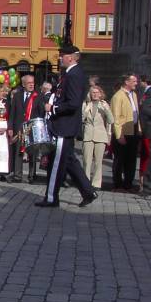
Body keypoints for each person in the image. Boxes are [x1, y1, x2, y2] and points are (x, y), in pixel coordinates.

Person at [35, 45, 97, 208]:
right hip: (63, 124)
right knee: (69, 161)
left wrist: (53, 108)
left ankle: (51, 198)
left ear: (71, 57)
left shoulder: (75, 75)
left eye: (62, 55)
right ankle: (88, 191)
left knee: (56, 163)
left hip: (64, 125)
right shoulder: (68, 74)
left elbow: (73, 103)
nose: (59, 58)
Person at [7, 74, 43, 183]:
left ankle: (32, 176)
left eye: (33, 83)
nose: (32, 85)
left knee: (32, 152)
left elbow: (41, 113)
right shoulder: (17, 96)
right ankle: (17, 175)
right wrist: (10, 127)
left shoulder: (38, 96)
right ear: (23, 84)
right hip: (19, 127)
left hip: (32, 127)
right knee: (18, 151)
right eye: (29, 83)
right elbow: (12, 112)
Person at [110, 73, 141, 192]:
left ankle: (128, 184)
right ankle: (118, 185)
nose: (136, 83)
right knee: (119, 160)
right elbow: (116, 117)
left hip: (132, 131)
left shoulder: (134, 95)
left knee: (131, 160)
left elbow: (136, 114)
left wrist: (138, 130)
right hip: (122, 131)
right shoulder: (118, 96)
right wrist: (119, 135)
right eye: (134, 81)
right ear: (126, 82)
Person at [82, 84, 114, 191]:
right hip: (88, 135)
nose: (95, 94)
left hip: (100, 135)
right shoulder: (86, 104)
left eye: (97, 92)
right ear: (90, 94)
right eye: (93, 92)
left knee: (98, 162)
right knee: (86, 160)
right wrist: (85, 110)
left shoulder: (104, 104)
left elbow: (111, 121)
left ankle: (96, 183)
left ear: (100, 94)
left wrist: (106, 110)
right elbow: (81, 119)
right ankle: (85, 182)